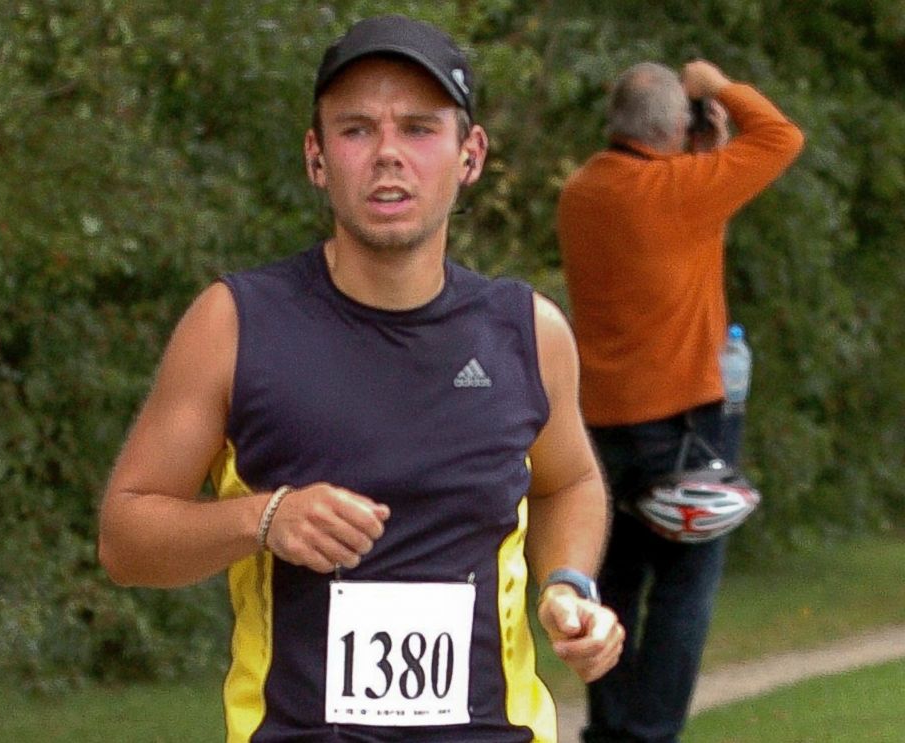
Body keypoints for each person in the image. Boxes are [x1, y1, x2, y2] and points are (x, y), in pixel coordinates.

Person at [99, 14, 624, 743]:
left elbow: (568, 480)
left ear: (470, 154)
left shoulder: (527, 331)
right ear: (317, 157)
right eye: (355, 130)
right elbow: (126, 538)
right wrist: (265, 518)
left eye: (418, 128)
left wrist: (568, 584)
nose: (387, 155)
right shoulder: (236, 324)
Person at [555, 60, 804, 742]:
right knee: (683, 591)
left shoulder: (581, 192)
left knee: (615, 589)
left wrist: (699, 150)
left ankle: (609, 730)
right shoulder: (680, 190)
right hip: (687, 428)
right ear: (673, 127)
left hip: (603, 428)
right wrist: (715, 83)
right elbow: (781, 136)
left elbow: (674, 228)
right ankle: (649, 734)